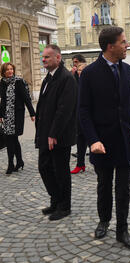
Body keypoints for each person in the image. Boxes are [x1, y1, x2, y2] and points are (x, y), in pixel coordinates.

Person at [78, 27, 130, 250]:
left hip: (125, 137)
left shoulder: (126, 70)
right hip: (102, 142)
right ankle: (104, 220)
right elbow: (83, 111)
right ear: (110, 46)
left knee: (124, 186)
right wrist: (92, 140)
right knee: (104, 184)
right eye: (124, 42)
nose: (127, 45)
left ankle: (122, 230)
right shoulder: (89, 73)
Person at [35, 44, 77, 221]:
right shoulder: (48, 78)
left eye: (47, 57)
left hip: (59, 136)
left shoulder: (66, 78)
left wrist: (53, 134)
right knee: (44, 167)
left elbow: (64, 110)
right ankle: (55, 200)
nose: (43, 60)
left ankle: (64, 206)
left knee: (60, 171)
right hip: (45, 133)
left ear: (58, 58)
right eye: (43, 57)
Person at [0, 62, 35, 174]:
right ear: (3, 72)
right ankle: (18, 162)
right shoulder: (2, 83)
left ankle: (12, 164)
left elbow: (26, 98)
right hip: (7, 115)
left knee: (12, 138)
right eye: (7, 70)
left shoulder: (18, 82)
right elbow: (2, 100)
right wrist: (0, 114)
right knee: (11, 139)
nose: (10, 71)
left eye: (11, 69)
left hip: (17, 115)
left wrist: (32, 113)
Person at [71, 62, 88, 174]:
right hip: (78, 116)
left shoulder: (91, 82)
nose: (79, 72)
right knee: (81, 141)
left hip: (90, 116)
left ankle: (104, 162)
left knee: (94, 141)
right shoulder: (74, 82)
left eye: (82, 70)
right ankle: (80, 164)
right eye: (78, 70)